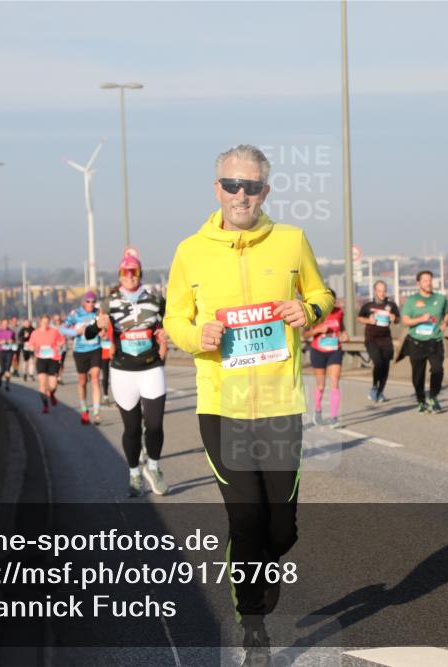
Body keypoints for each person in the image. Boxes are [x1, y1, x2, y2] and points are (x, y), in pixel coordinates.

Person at [163, 144, 334, 666]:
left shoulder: (291, 241)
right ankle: (251, 620)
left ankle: (263, 564)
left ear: (266, 190)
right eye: (233, 185)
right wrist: (199, 335)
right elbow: (174, 321)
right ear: (217, 189)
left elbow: (323, 295)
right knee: (245, 519)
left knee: (280, 528)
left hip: (280, 403)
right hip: (222, 406)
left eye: (252, 186)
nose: (242, 195)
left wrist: (306, 309)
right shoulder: (190, 251)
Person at [97, 256, 169, 497]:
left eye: (134, 271)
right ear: (119, 274)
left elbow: (171, 319)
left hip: (151, 367)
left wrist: (164, 331)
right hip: (123, 372)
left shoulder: (155, 298)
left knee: (155, 424)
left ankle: (154, 467)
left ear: (140, 273)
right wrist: (100, 327)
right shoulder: (109, 302)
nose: (130, 275)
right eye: (126, 272)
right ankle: (134, 473)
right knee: (132, 429)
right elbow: (93, 330)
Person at [399, 270, 448, 414]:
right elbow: (405, 320)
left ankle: (433, 397)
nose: (428, 283)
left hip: (435, 341)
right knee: (418, 376)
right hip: (416, 343)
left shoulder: (440, 299)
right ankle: (421, 401)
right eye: (425, 280)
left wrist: (445, 322)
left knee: (438, 369)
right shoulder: (412, 301)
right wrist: (421, 319)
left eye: (430, 280)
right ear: (418, 283)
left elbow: (447, 313)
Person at [304, 289, 347, 428]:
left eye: (332, 301)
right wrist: (317, 330)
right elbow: (305, 335)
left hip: (334, 350)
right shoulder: (316, 313)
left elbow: (342, 330)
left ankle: (334, 417)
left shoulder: (339, 312)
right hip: (318, 351)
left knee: (334, 382)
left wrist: (345, 336)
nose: (330, 304)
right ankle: (317, 410)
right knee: (321, 386)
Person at [62, 291, 104, 425]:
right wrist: (75, 332)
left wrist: (103, 331)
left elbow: (106, 326)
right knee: (82, 382)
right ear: (83, 302)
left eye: (93, 302)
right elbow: (62, 329)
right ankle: (84, 409)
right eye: (88, 301)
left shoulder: (98, 313)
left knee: (96, 378)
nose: (91, 304)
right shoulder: (76, 314)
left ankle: (97, 412)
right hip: (80, 351)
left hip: (95, 349)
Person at [357, 280, 400, 403]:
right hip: (371, 339)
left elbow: (397, 320)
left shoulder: (391, 305)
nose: (382, 293)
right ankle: (374, 386)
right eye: (379, 291)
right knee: (378, 363)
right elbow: (359, 318)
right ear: (375, 291)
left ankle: (380, 392)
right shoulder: (368, 306)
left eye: (384, 291)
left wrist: (394, 318)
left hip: (386, 339)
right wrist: (368, 321)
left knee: (386, 367)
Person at [29, 315, 66, 414]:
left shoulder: (54, 331)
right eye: (43, 322)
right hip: (41, 359)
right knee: (42, 384)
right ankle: (45, 405)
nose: (45, 324)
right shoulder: (35, 333)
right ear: (40, 322)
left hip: (53, 359)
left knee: (53, 385)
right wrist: (34, 348)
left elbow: (62, 341)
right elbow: (30, 346)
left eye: (47, 322)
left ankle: (51, 394)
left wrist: (59, 345)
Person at [0, 318, 16, 392]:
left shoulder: (11, 331)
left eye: (7, 324)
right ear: (1, 324)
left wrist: (11, 341)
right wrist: (0, 342)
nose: (5, 325)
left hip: (9, 351)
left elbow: (14, 341)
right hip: (1, 351)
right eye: (4, 324)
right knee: (2, 368)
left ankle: (7, 384)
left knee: (8, 368)